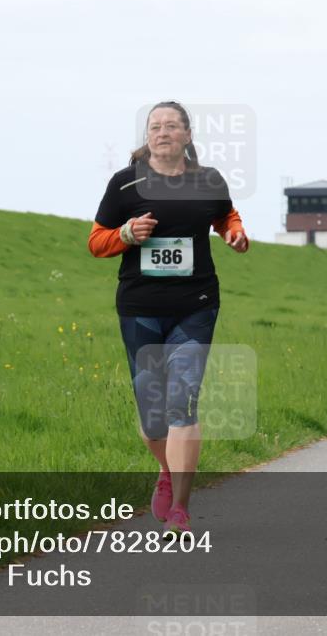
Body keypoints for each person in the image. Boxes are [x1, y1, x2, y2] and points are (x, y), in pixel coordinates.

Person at [88, 101, 249, 533]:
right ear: (147, 136)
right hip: (141, 308)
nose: (163, 132)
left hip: (196, 304)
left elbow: (224, 215)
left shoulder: (207, 180)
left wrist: (234, 233)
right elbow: (96, 241)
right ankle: (165, 469)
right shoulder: (125, 184)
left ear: (187, 135)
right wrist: (125, 234)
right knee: (152, 417)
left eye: (172, 126)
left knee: (183, 401)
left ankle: (180, 507)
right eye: (155, 126)